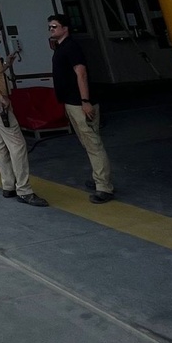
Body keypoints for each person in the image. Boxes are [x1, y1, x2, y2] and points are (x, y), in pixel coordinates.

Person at [0, 19, 48, 207]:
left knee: (2, 144)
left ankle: (8, 185)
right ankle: (24, 190)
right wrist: (2, 98)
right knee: (18, 144)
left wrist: (6, 64)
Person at [47, 13, 114, 203]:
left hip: (79, 102)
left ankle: (104, 187)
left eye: (54, 26)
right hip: (72, 102)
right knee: (88, 142)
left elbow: (81, 73)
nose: (51, 29)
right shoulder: (62, 47)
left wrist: (85, 100)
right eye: (50, 27)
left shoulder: (72, 47)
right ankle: (99, 177)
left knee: (93, 144)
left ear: (65, 28)